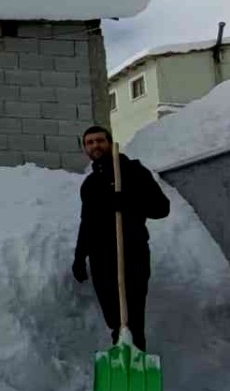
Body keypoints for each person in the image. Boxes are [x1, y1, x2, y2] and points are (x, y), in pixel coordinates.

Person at [72, 125, 170, 351]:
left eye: (100, 140)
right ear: (85, 148)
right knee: (115, 320)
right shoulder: (90, 185)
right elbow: (87, 224)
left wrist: (128, 202)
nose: (95, 145)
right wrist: (79, 257)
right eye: (90, 142)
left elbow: (161, 208)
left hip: (131, 254)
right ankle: (121, 358)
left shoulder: (134, 172)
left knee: (132, 320)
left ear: (109, 142)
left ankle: (136, 361)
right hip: (101, 260)